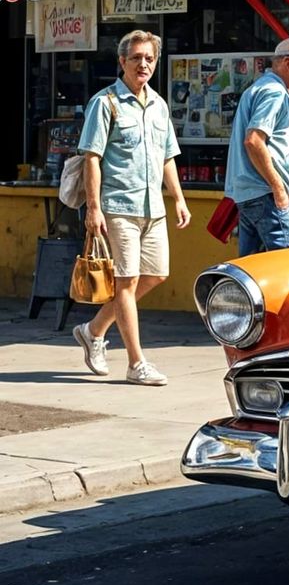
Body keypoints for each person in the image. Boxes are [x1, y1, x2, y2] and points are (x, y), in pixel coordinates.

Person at [72, 30, 191, 386]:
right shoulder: (105, 103)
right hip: (118, 205)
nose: (143, 64)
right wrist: (94, 208)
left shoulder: (159, 104)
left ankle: (93, 330)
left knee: (156, 274)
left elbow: (167, 155)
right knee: (126, 282)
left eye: (149, 58)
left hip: (153, 207)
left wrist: (179, 198)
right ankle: (136, 363)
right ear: (122, 61)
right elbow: (91, 158)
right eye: (136, 57)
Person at [226, 37, 289, 255]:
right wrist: (278, 190)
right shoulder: (274, 91)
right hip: (265, 195)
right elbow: (253, 140)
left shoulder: (256, 88)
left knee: (253, 274)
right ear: (287, 62)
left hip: (248, 196)